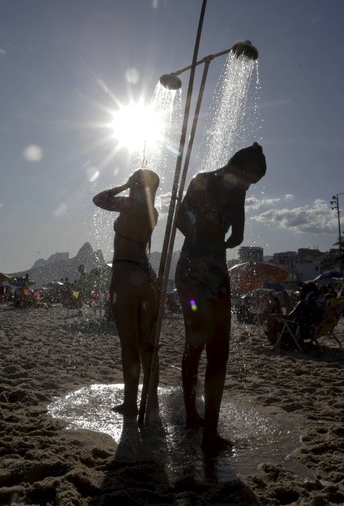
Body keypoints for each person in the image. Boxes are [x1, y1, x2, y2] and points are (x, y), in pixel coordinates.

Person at [175, 142, 266, 453]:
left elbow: (180, 221)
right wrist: (218, 239)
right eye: (250, 179)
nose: (248, 186)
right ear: (239, 168)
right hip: (205, 269)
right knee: (212, 348)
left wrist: (204, 232)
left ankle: (196, 419)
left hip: (194, 266)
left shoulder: (203, 181)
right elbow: (236, 237)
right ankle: (203, 427)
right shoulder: (229, 190)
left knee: (201, 345)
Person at [92, 169, 160, 418]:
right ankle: (151, 401)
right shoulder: (154, 212)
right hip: (146, 276)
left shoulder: (128, 204)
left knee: (129, 344)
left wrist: (123, 185)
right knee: (148, 344)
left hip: (124, 274)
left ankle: (131, 402)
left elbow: (99, 199)